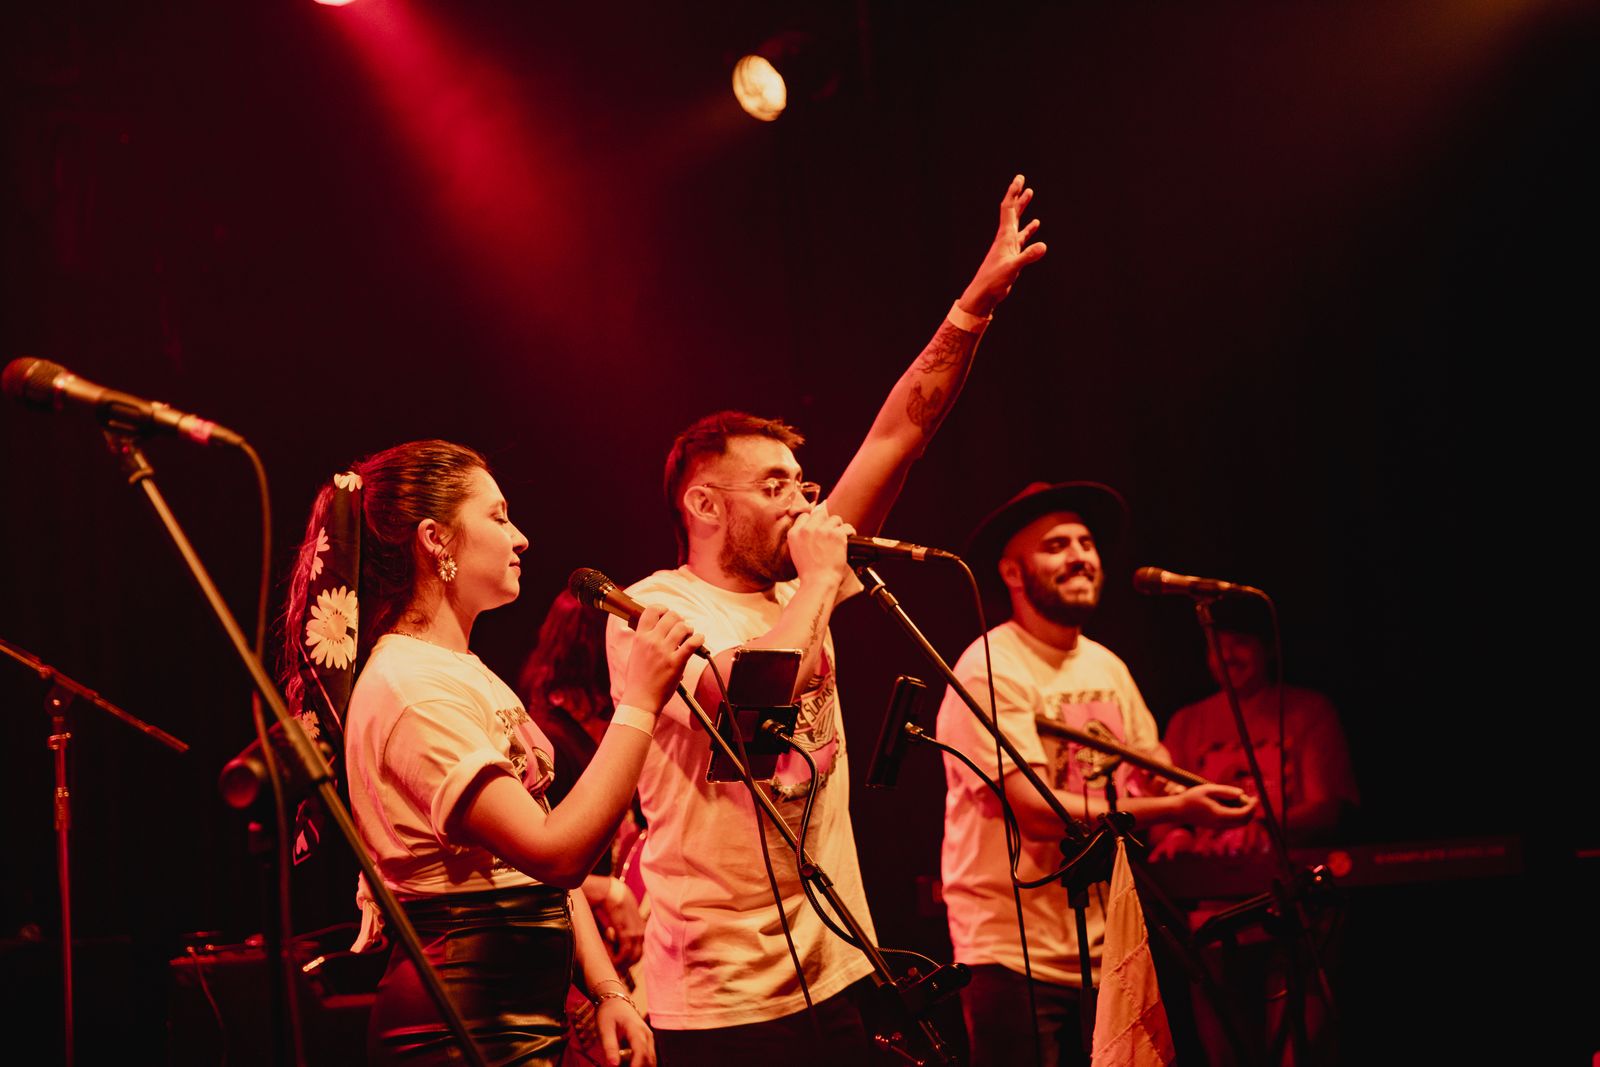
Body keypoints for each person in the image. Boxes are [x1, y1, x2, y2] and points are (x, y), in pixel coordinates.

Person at [602, 175, 1049, 1066]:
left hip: (837, 965)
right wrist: (817, 581)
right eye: (774, 487)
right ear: (704, 504)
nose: (803, 503)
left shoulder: (797, 586)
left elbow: (898, 435)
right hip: (723, 998)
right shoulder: (651, 605)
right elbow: (754, 705)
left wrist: (973, 309)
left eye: (801, 484)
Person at [280, 439, 702, 1066]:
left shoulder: (459, 670)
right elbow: (556, 853)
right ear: (435, 540)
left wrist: (606, 987)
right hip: (461, 1024)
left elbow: (535, 862)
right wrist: (641, 700)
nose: (520, 538)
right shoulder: (409, 686)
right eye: (499, 517)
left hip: (515, 1012)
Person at [934, 480, 1258, 1067]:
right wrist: (1181, 807)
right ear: (1012, 573)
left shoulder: (1106, 665)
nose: (1080, 556)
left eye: (1086, 543)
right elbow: (1037, 815)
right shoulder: (990, 667)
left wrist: (1204, 794)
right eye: (1056, 545)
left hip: (1111, 943)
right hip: (1012, 951)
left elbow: (1152, 768)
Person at [1153, 597, 1359, 858]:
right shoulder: (1186, 721)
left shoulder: (1309, 711)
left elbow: (1326, 811)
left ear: (1269, 649)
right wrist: (1178, 834)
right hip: (1210, 873)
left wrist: (1261, 826)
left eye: (1241, 644)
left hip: (1289, 870)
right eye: (1217, 646)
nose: (1228, 656)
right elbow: (1162, 820)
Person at [519, 590, 648, 973]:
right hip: (565, 958)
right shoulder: (551, 743)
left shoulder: (601, 735)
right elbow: (525, 867)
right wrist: (608, 892)